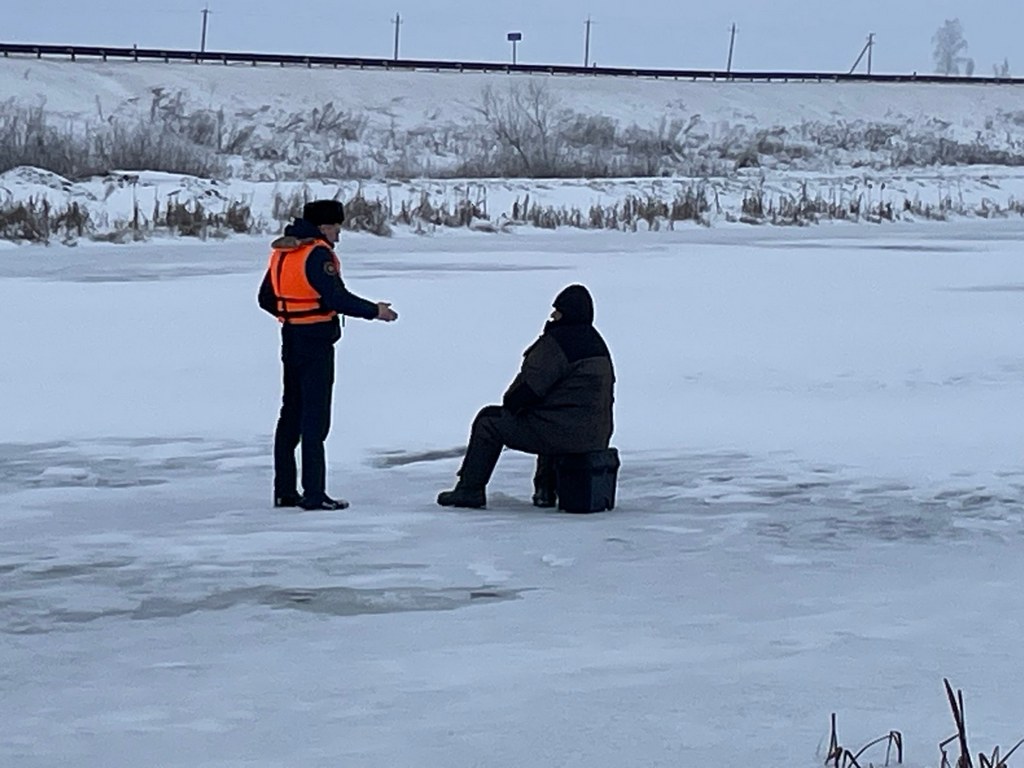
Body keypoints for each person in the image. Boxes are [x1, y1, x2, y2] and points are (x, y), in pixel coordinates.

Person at [258, 199, 398, 511]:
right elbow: (337, 297)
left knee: (290, 414)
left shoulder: (284, 251)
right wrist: (376, 311)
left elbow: (266, 298)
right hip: (315, 341)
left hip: (291, 337)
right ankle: (314, 494)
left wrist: (291, 314)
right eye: (337, 227)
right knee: (315, 418)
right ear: (323, 226)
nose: (339, 233)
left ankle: (284, 491)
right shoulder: (317, 254)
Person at [437, 284, 615, 509]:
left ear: (566, 313)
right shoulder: (598, 344)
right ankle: (545, 491)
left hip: (564, 434)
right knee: (551, 418)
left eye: (557, 311)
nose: (553, 315)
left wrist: (512, 403)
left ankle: (469, 490)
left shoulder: (558, 343)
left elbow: (525, 392)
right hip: (596, 435)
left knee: (488, 421)